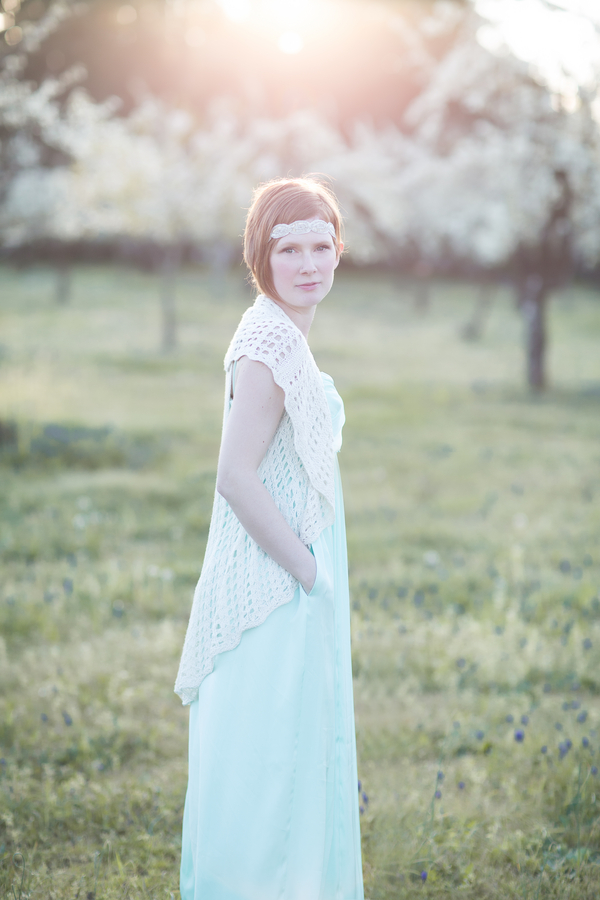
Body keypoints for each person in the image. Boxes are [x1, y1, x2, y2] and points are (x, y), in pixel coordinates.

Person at [175, 176, 364, 900]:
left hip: (294, 573)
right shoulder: (265, 344)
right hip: (274, 584)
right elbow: (234, 476)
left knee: (288, 757)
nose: (309, 263)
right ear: (262, 254)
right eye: (290, 248)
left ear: (339, 252)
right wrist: (310, 575)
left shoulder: (283, 331)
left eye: (322, 245)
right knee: (267, 767)